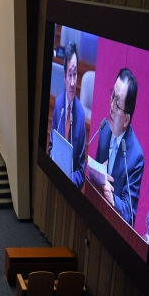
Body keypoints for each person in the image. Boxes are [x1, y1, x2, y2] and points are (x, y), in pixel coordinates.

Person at [94, 68, 144, 227]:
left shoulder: (136, 157)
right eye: (112, 96)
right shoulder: (104, 132)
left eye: (117, 103)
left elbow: (129, 213)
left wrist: (111, 197)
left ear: (126, 120)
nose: (111, 106)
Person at [49, 41, 87, 190]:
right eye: (70, 75)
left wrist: (67, 181)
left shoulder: (81, 115)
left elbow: (81, 171)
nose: (72, 82)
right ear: (64, 76)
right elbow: (51, 146)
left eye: (75, 74)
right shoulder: (58, 105)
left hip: (69, 188)